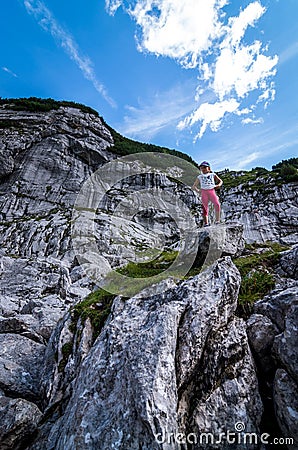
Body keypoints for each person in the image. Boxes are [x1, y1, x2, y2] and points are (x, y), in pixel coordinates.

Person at [192, 161, 223, 226]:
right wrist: (198, 191)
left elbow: (221, 181)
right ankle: (206, 223)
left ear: (208, 168)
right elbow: (194, 186)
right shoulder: (200, 176)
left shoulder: (213, 174)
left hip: (211, 190)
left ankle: (217, 221)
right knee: (205, 207)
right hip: (204, 192)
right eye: (201, 168)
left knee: (217, 204)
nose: (203, 169)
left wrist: (218, 185)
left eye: (204, 167)